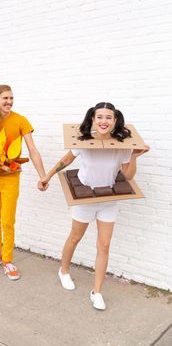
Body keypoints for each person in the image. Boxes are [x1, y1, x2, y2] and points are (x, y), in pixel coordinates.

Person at [39, 102, 149, 310]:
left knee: (104, 245)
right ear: (93, 119)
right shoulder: (83, 142)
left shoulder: (122, 145)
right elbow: (66, 160)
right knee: (75, 237)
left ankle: (96, 291)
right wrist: (48, 176)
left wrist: (134, 155)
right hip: (85, 197)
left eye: (109, 117)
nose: (104, 121)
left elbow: (128, 176)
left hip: (108, 199)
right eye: (100, 117)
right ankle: (63, 270)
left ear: (115, 121)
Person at [0, 84, 47, 280]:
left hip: (10, 179)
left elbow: (33, 150)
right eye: (5, 98)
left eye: (11, 98)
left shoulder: (20, 121)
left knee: (7, 221)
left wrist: (42, 175)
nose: (9, 102)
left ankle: (7, 260)